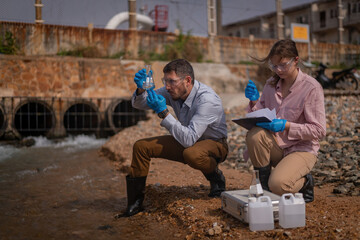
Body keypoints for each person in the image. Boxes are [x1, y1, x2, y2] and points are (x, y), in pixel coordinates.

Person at [123, 59, 228, 217]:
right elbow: (140, 104)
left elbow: (188, 140)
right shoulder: (172, 90)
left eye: (171, 81)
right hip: (188, 137)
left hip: (214, 144)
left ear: (187, 80)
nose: (167, 86)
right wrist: (140, 90)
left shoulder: (207, 100)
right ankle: (135, 204)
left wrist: (164, 113)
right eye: (165, 81)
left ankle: (215, 176)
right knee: (141, 147)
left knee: (191, 153)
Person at [244, 39, 326, 203]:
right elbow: (259, 115)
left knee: (279, 185)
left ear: (296, 60)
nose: (278, 70)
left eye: (282, 65)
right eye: (274, 66)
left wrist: (286, 125)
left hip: (302, 149)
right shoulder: (271, 84)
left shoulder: (311, 88)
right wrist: (254, 101)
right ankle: (264, 186)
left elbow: (319, 131)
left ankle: (305, 183)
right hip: (278, 145)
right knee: (255, 134)